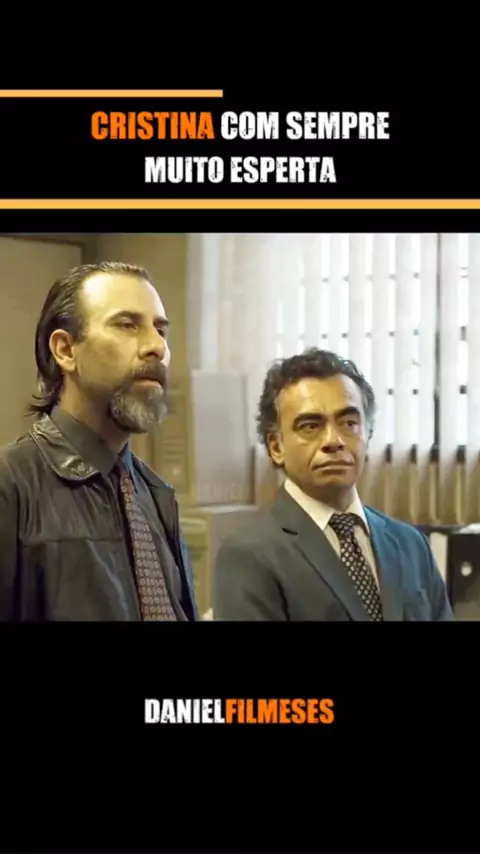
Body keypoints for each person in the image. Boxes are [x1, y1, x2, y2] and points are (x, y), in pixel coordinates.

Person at [0, 260, 198, 621]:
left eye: (160, 330)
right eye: (127, 325)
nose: (156, 347)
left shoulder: (155, 494)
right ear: (65, 350)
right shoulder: (12, 486)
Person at [214, 348, 453, 621]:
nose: (333, 441)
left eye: (349, 423)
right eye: (310, 426)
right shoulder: (249, 556)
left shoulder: (410, 544)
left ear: (367, 434)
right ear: (276, 447)